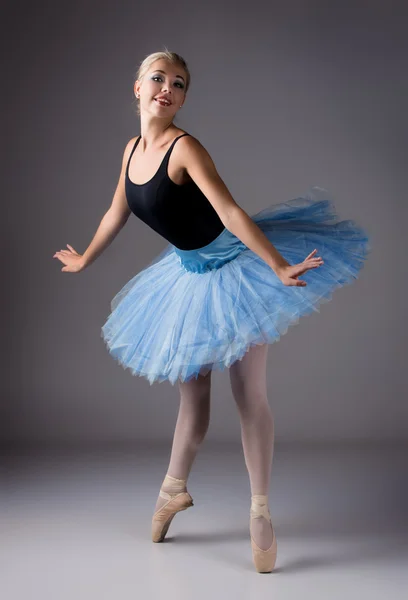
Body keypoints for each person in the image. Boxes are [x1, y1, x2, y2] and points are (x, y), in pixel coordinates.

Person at [53, 49, 371, 573]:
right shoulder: (132, 149)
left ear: (181, 98)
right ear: (136, 88)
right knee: (193, 398)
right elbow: (118, 210)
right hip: (187, 277)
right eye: (157, 79)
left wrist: (275, 265)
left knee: (249, 395)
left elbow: (229, 210)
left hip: (237, 271)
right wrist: (86, 257)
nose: (166, 90)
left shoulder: (185, 149)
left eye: (178, 84)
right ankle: (173, 491)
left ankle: (260, 512)